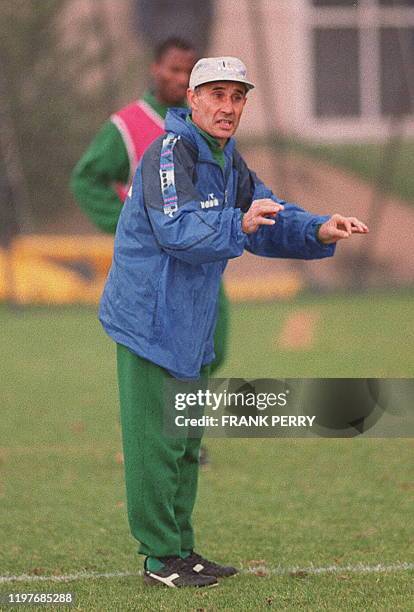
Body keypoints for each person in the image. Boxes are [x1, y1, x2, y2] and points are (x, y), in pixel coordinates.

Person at [99, 56, 369, 588]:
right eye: (216, 94)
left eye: (237, 96)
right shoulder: (169, 154)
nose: (227, 106)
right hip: (149, 321)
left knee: (182, 441)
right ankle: (159, 560)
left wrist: (318, 229)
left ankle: (182, 549)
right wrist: (236, 221)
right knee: (156, 446)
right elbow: (177, 229)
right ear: (193, 100)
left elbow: (263, 214)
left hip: (189, 321)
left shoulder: (225, 158)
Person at [70, 38, 226, 465]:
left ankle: (182, 438)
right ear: (155, 70)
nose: (179, 78)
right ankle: (162, 442)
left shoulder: (202, 126)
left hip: (201, 259)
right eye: (173, 69)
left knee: (212, 345)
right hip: (155, 271)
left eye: (188, 71)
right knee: (160, 360)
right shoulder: (126, 124)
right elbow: (87, 180)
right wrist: (127, 224)